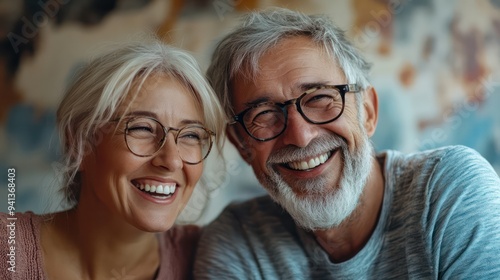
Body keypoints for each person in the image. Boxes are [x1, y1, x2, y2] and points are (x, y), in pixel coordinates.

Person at [194, 8, 500, 279]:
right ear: (242, 144)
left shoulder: (453, 189)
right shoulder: (238, 241)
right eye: (264, 114)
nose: (300, 136)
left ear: (367, 111)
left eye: (319, 98)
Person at [0, 38, 225, 279]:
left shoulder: (212, 256)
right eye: (142, 128)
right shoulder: (7, 251)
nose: (172, 160)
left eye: (191, 134)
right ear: (80, 143)